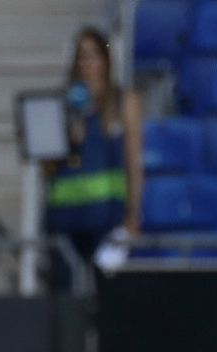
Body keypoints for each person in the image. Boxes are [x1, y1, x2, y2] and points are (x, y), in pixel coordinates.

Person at [45, 27, 144, 290]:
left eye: (93, 56)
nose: (86, 64)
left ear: (105, 61)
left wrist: (133, 214)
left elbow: (133, 162)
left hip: (106, 216)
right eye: (81, 56)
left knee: (109, 293)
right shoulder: (63, 104)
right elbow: (48, 168)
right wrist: (66, 138)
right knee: (65, 296)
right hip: (65, 215)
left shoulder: (123, 103)